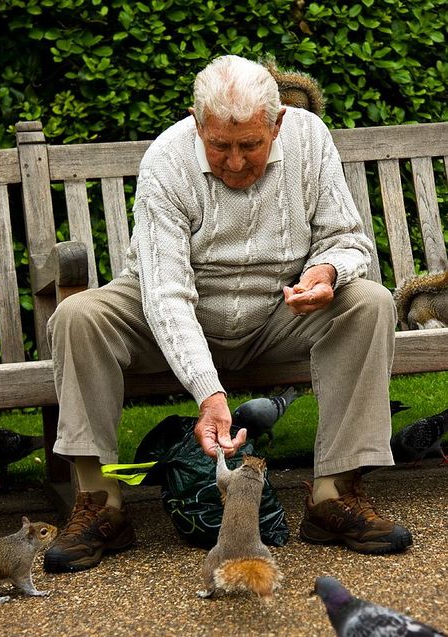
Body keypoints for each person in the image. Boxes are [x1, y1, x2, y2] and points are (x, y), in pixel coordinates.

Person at [43, 55, 413, 574]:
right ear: (198, 125)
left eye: (250, 145)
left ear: (278, 122)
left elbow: (346, 239)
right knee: (77, 316)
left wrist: (326, 272)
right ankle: (102, 505)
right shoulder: (166, 161)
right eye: (219, 145)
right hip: (166, 311)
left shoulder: (309, 138)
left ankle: (334, 495)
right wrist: (209, 394)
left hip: (277, 309)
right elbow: (167, 294)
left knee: (368, 301)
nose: (235, 163)